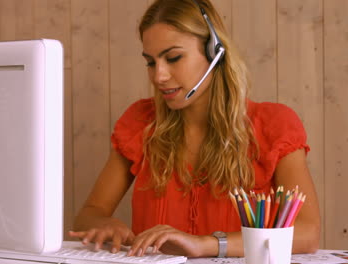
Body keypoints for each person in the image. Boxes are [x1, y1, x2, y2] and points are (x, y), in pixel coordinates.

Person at [69, 0, 320, 258]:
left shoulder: (274, 126)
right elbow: (90, 213)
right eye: (151, 62)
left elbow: (307, 232)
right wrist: (104, 224)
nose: (159, 76)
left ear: (214, 52)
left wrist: (206, 245)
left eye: (173, 58)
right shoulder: (140, 122)